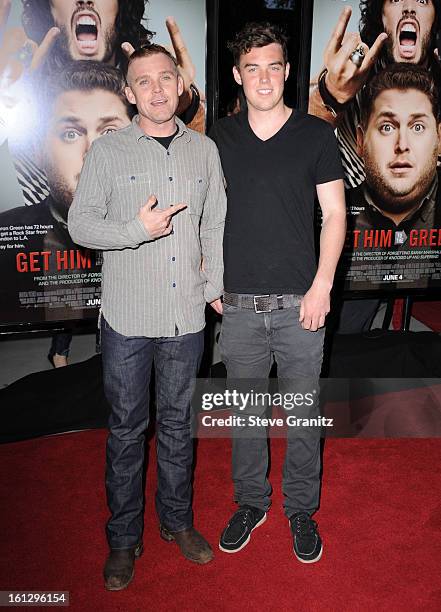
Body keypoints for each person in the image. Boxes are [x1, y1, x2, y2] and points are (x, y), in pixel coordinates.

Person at [68, 44, 226, 590]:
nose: (158, 89)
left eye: (166, 78)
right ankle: (122, 537)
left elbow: (215, 224)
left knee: (181, 428)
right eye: (144, 82)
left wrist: (214, 285)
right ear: (129, 94)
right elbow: (80, 226)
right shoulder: (109, 151)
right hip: (129, 320)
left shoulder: (204, 150)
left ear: (181, 84)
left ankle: (177, 523)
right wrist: (137, 230)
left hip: (186, 319)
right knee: (127, 430)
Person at [209, 22, 346, 563]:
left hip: (300, 305)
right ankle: (250, 503)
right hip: (238, 306)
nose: (263, 77)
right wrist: (207, 277)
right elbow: (202, 213)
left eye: (273, 66)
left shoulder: (316, 136)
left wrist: (322, 286)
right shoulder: (218, 138)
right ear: (238, 76)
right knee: (245, 416)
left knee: (303, 416)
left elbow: (334, 215)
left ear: (287, 72)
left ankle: (300, 511)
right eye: (252, 68)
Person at [0, 1, 203, 205]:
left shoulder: (158, 90)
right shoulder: (20, 95)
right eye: (70, 133)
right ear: (48, 7)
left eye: (109, 132)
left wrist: (186, 106)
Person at [0, 60, 132, 324]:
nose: (93, 153)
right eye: (70, 134)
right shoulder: (7, 237)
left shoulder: (161, 228)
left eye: (109, 132)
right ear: (39, 150)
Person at [309, 1, 440, 189]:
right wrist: (331, 94)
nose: (409, 8)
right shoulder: (353, 67)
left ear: (435, 18)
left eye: (421, 0)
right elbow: (299, 150)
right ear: (381, 15)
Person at [342, 64, 441, 289]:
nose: (402, 145)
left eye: (417, 127)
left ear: (439, 138)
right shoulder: (331, 210)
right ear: (360, 140)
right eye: (387, 127)